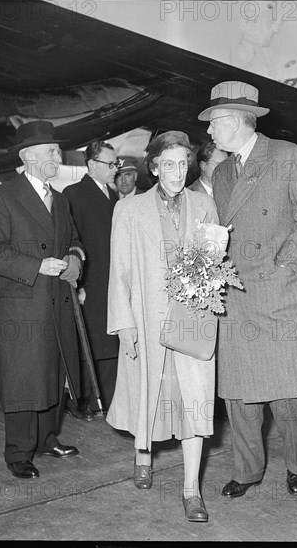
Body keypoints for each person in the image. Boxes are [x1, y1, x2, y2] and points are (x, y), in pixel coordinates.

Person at [198, 81, 297, 498]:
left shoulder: (286, 157)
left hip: (277, 292)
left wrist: (287, 265)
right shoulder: (220, 172)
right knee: (239, 395)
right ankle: (247, 470)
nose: (210, 132)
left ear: (235, 121)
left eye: (214, 123)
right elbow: (221, 230)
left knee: (287, 393)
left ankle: (296, 465)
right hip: (235, 294)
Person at [106, 131, 218, 522]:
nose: (176, 172)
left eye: (182, 164)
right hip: (146, 320)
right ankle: (143, 454)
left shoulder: (204, 205)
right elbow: (118, 272)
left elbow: (215, 264)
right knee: (147, 393)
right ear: (153, 167)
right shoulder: (130, 210)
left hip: (190, 322)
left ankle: (191, 490)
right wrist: (123, 324)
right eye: (168, 164)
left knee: (194, 402)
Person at [0, 120, 84, 479]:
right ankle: (19, 451)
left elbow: (74, 240)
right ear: (28, 157)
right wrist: (37, 265)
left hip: (57, 302)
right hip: (23, 305)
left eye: (57, 150)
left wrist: (74, 259)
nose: (59, 155)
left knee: (54, 374)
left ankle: (47, 438)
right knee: (25, 378)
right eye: (51, 151)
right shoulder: (1, 197)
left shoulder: (62, 198)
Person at [62, 141, 120, 418]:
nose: (115, 169)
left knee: (110, 343)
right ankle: (81, 401)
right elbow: (72, 241)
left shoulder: (113, 195)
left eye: (116, 163)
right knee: (88, 343)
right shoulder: (74, 193)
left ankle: (106, 402)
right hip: (91, 283)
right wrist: (80, 285)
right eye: (110, 164)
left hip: (113, 282)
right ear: (91, 166)